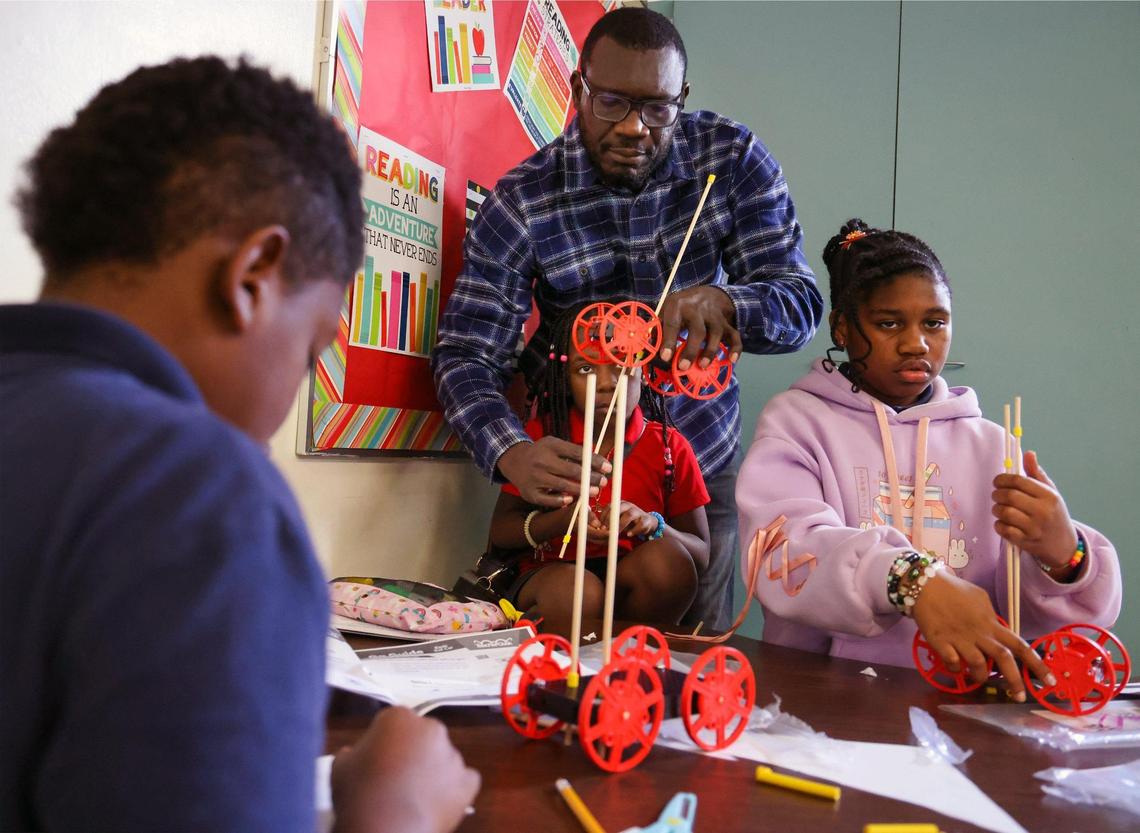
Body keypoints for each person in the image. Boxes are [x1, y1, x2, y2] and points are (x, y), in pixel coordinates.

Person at [0, 57, 478, 832]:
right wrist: (397, 810)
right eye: (313, 348)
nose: (290, 399)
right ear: (254, 274)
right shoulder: (196, 493)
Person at [433, 7, 822, 632]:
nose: (636, 128)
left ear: (682, 98)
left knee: (683, 656)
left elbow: (800, 304)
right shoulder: (525, 199)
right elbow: (467, 356)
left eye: (658, 108)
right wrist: (512, 454)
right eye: (611, 102)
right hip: (569, 470)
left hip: (696, 458)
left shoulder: (732, 159)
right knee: (565, 642)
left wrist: (729, 305)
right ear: (577, 88)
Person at [735, 219, 1123, 700]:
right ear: (841, 327)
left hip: (964, 700)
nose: (916, 342)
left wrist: (1064, 556)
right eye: (888, 323)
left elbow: (1036, 620)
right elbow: (783, 554)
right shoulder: (798, 421)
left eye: (934, 323)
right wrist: (911, 580)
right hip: (827, 697)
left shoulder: (991, 444)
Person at [488, 302, 710, 627]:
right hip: (552, 576)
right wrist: (565, 520)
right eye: (586, 369)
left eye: (621, 366)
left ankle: (629, 660)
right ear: (566, 376)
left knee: (668, 562)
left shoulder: (669, 447)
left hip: (631, 579)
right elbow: (501, 534)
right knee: (577, 591)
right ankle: (563, 669)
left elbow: (700, 555)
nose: (606, 383)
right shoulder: (545, 437)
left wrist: (654, 526)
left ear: (644, 372)